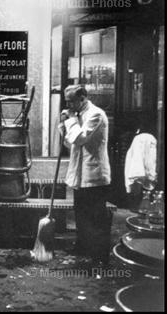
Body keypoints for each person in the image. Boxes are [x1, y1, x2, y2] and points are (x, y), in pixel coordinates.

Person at [58, 85, 112, 264]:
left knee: (96, 218)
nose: (68, 104)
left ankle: (100, 257)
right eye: (67, 101)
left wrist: (71, 121)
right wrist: (64, 128)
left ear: (82, 98)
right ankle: (82, 248)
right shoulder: (78, 115)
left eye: (71, 100)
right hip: (80, 175)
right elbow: (71, 143)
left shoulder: (96, 114)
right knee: (81, 215)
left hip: (94, 175)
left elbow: (80, 138)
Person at [124, 114, 157, 210]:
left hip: (140, 175)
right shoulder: (142, 138)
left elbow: (137, 160)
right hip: (144, 174)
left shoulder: (142, 138)